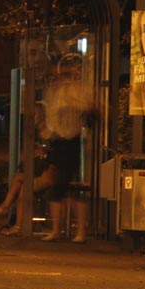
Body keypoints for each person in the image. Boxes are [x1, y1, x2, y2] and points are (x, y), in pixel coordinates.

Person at [38, 55, 95, 242]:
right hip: (58, 141)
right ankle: (57, 229)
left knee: (70, 187)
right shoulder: (56, 90)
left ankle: (78, 231)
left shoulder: (75, 90)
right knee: (57, 186)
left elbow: (88, 107)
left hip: (71, 140)